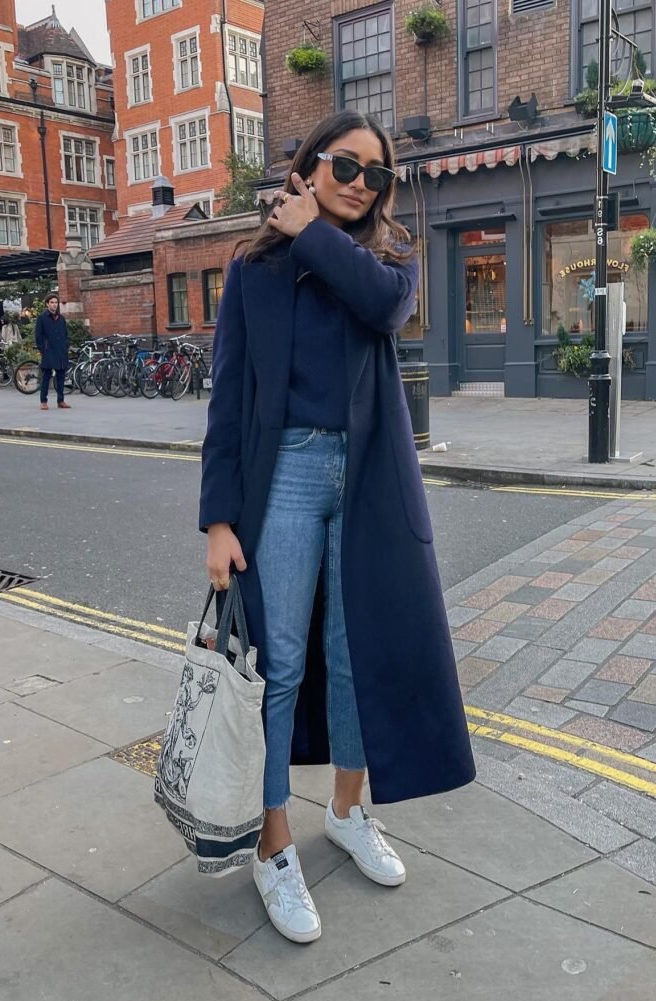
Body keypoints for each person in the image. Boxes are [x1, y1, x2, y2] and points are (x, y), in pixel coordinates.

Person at [199, 111, 475, 945]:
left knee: (359, 657)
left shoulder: (384, 259)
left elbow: (385, 310)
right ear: (309, 162)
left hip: (368, 482)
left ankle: (349, 811)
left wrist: (314, 229)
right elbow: (227, 397)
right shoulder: (253, 269)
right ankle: (271, 845)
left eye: (375, 176)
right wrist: (217, 519)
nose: (360, 183)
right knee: (278, 667)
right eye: (344, 166)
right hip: (280, 476)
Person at [35, 293, 71, 410]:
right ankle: (43, 401)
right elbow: (38, 336)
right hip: (48, 351)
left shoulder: (61, 318)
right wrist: (43, 349)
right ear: (47, 304)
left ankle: (61, 400)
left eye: (56, 302)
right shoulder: (42, 318)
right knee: (46, 376)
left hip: (60, 350)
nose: (54, 305)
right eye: (52, 302)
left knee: (61, 376)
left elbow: (65, 334)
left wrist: (66, 346)